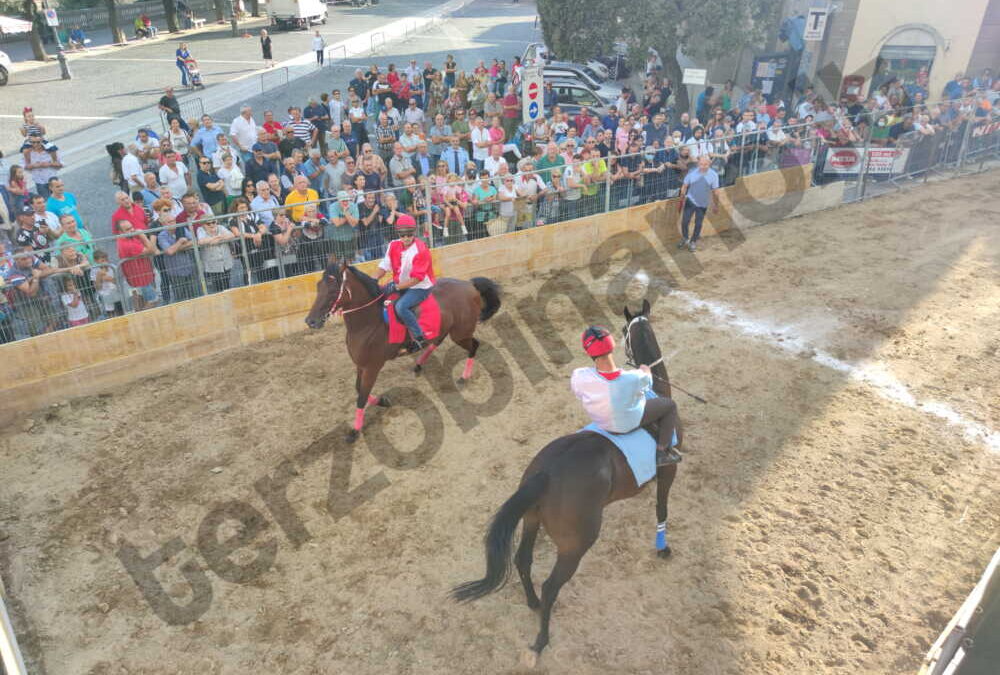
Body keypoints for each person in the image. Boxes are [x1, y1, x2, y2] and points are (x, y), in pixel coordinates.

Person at [572, 326, 681, 466]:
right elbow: (647, 384)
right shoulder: (634, 377)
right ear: (612, 345)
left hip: (601, 424)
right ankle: (662, 452)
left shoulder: (579, 375)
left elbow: (579, 394)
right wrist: (645, 370)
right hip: (629, 423)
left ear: (588, 352)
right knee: (670, 406)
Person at [374, 214, 434, 351]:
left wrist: (396, 287)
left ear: (414, 232)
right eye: (402, 234)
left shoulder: (421, 250)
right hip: (400, 283)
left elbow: (417, 279)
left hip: (420, 286)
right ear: (398, 234)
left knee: (401, 307)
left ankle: (420, 338)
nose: (406, 238)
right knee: (379, 299)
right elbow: (385, 265)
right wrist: (373, 279)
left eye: (409, 234)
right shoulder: (393, 245)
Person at [677, 155, 720, 252]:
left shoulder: (714, 175)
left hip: (703, 203)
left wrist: (715, 205)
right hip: (690, 200)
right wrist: (682, 197)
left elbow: (716, 192)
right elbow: (684, 186)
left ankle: (693, 242)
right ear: (698, 164)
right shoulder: (692, 173)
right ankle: (685, 238)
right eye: (701, 164)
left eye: (705, 164)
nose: (703, 166)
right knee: (685, 221)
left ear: (709, 164)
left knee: (698, 223)